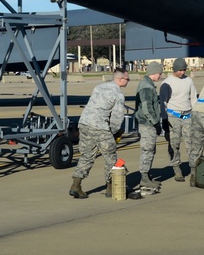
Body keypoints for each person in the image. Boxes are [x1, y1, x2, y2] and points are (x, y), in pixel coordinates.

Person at [69, 68, 129, 199]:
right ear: (120, 79)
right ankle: (111, 187)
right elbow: (117, 118)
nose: (128, 81)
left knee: (87, 155)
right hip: (100, 126)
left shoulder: (99, 87)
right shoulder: (118, 94)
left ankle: (76, 185)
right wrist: (113, 133)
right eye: (127, 79)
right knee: (110, 157)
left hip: (84, 124)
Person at [159, 57, 198, 181]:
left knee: (191, 144)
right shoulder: (167, 83)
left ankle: (194, 170)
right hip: (173, 116)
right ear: (174, 69)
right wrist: (164, 119)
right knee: (174, 144)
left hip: (187, 115)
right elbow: (163, 102)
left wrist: (196, 115)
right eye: (180, 70)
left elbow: (193, 99)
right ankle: (177, 169)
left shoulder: (189, 81)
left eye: (184, 70)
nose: (182, 73)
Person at [134, 61, 164, 190]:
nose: (160, 76)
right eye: (160, 73)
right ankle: (144, 178)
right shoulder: (146, 86)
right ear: (155, 72)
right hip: (147, 124)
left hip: (147, 123)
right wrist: (156, 122)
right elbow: (147, 108)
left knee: (150, 150)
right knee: (147, 150)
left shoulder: (147, 84)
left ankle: (147, 176)